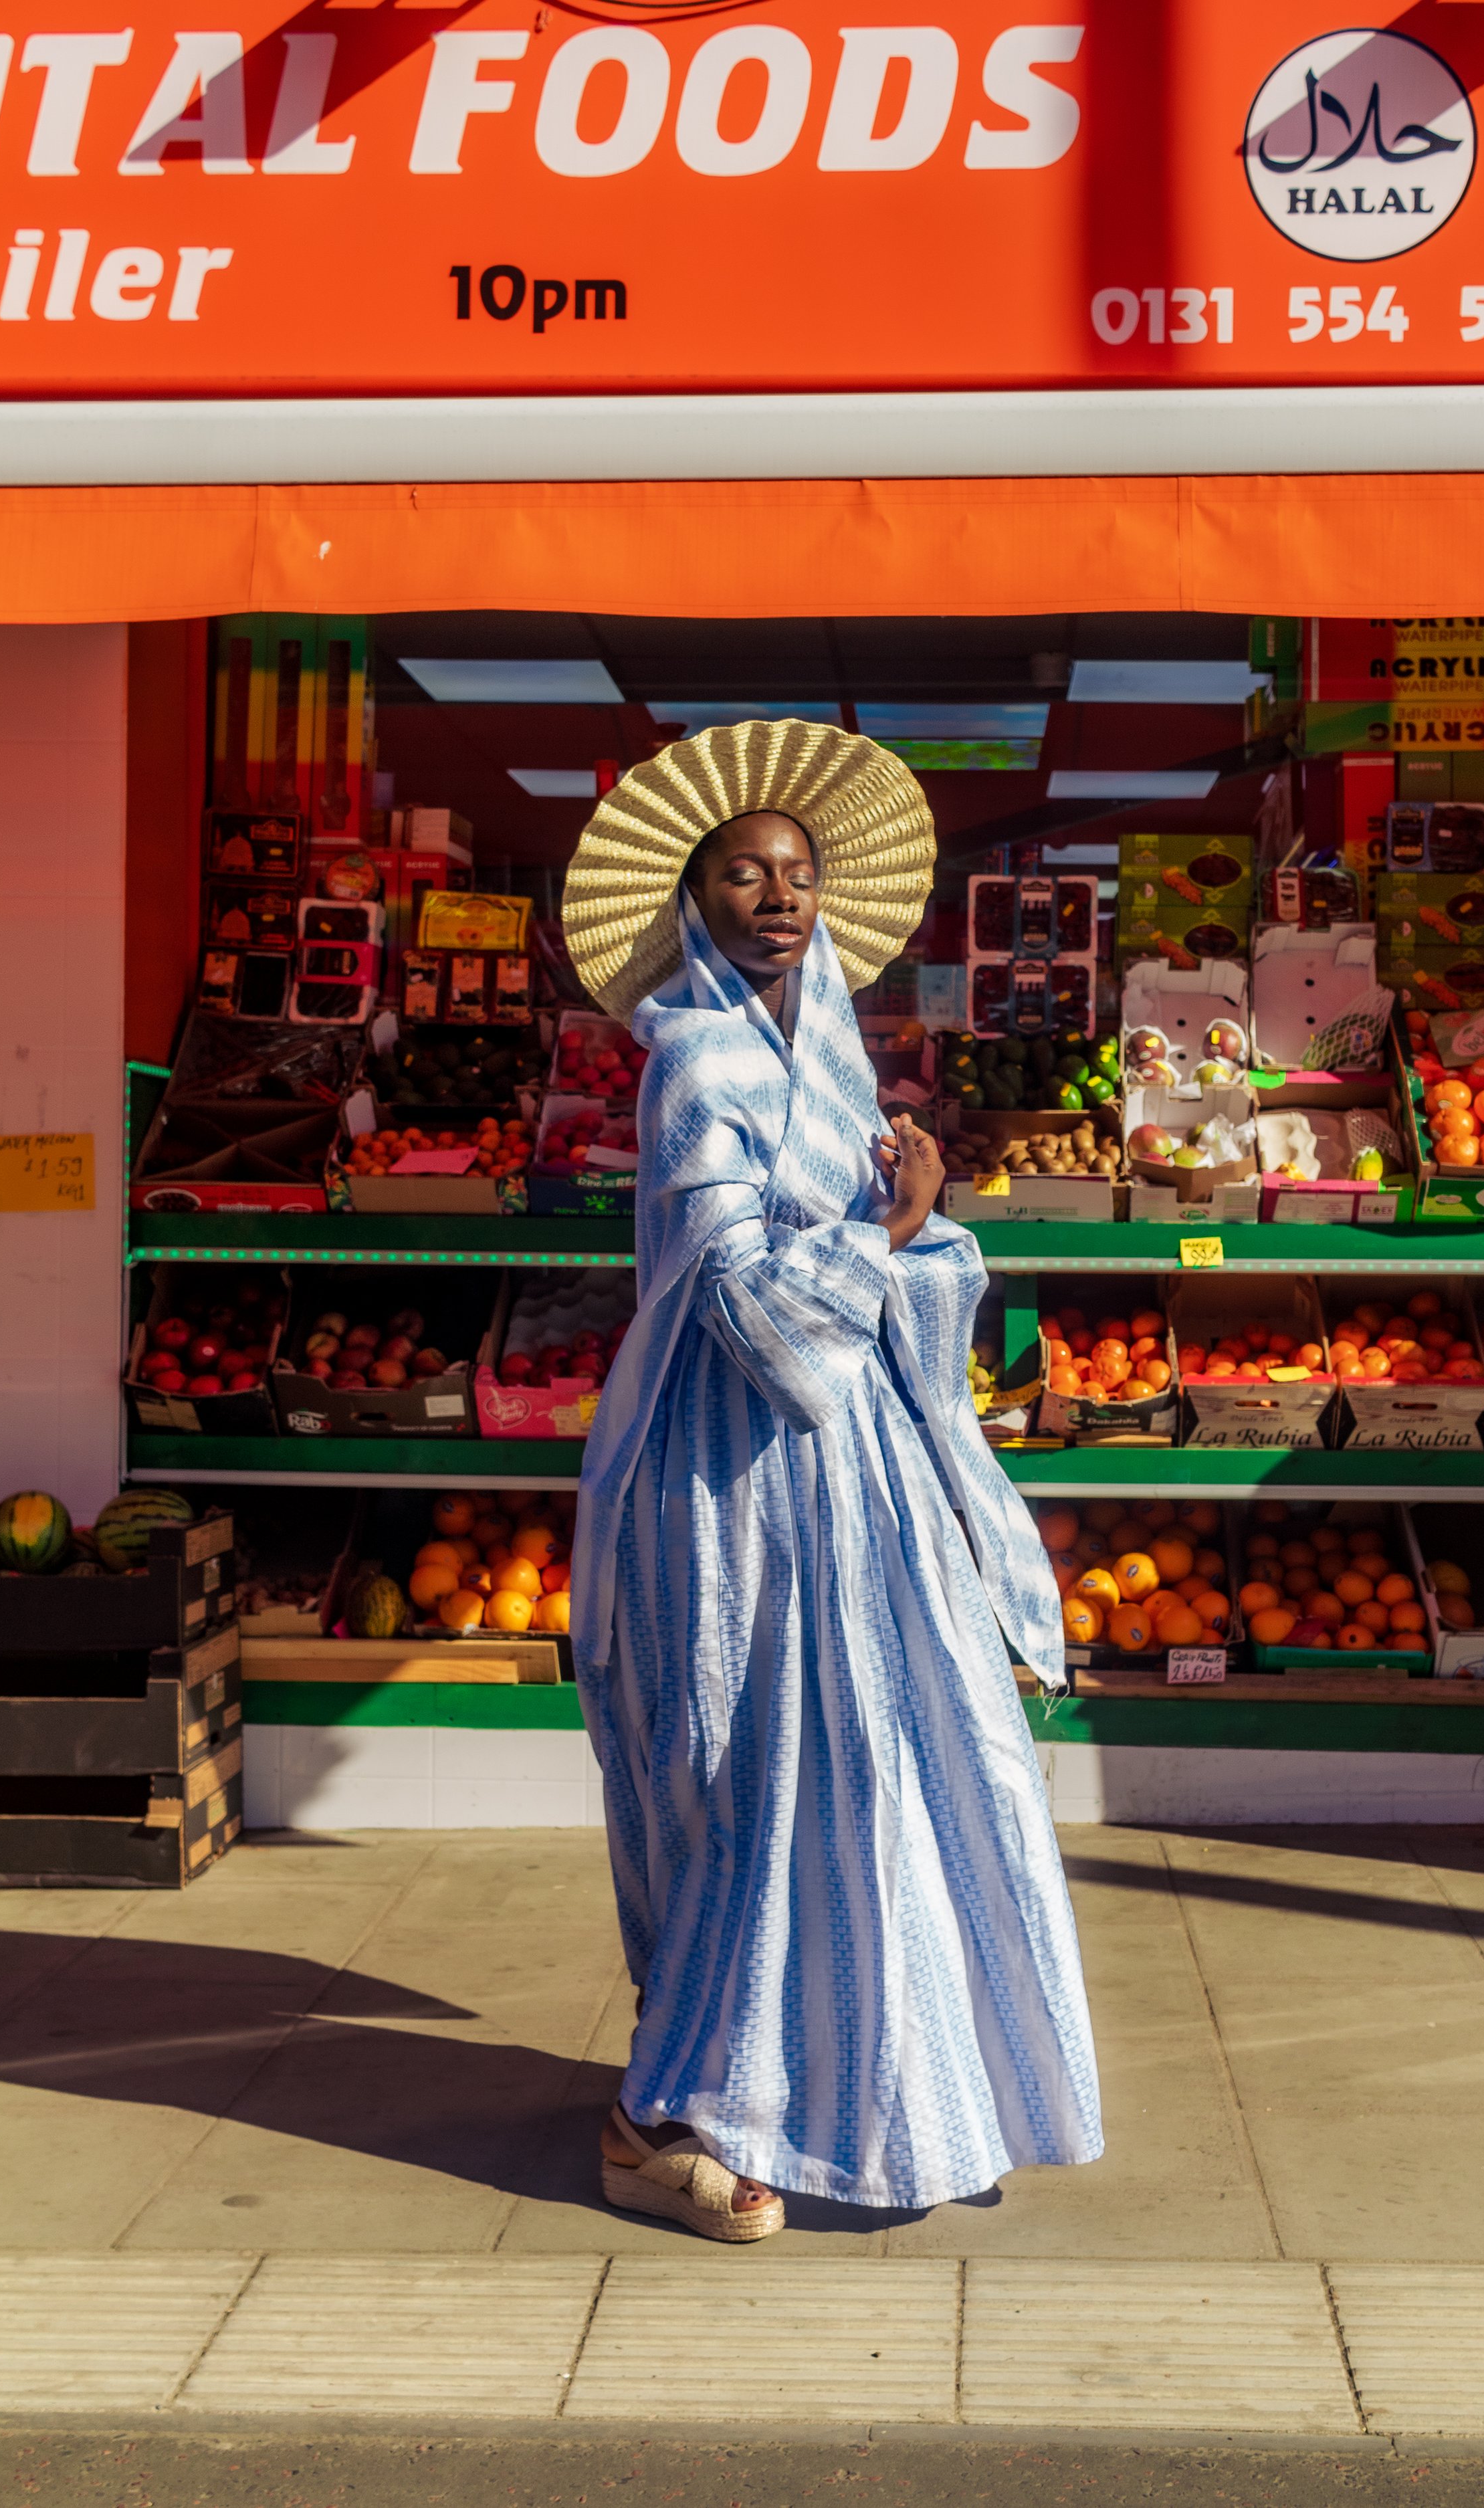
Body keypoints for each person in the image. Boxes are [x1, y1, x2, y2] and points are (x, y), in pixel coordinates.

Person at [561, 720, 1101, 2243]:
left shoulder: (844, 1057)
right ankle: (667, 2110)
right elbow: (738, 1304)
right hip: (729, 1480)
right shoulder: (693, 1065)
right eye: (742, 873)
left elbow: (886, 1279)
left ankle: (879, 2081)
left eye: (795, 873)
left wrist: (920, 1231)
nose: (776, 894)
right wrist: (881, 1235)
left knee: (891, 1765)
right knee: (756, 1778)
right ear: (693, 901)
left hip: (854, 1474)